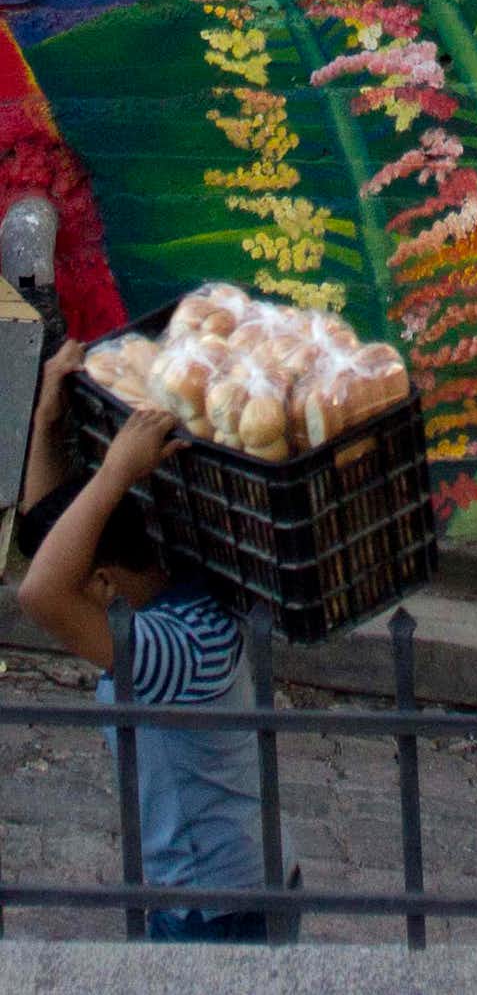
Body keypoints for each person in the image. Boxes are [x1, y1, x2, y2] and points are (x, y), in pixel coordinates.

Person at [15, 346, 295, 945]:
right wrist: (48, 424)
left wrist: (115, 472)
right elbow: (51, 541)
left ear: (103, 584)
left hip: (220, 912)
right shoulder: (176, 586)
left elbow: (39, 592)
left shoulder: (178, 649)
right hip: (205, 890)